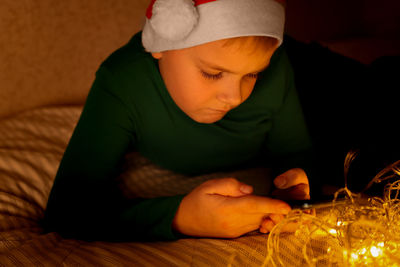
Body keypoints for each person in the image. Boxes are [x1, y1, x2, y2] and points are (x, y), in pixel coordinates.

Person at [43, 0, 314, 241]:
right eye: (212, 73)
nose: (234, 97)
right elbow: (67, 211)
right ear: (162, 45)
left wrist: (295, 190)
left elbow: (296, 156)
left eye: (253, 75)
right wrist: (180, 217)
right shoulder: (122, 81)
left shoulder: (277, 69)